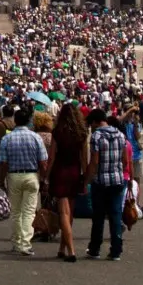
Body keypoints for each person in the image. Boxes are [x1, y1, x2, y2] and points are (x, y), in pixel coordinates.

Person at [0, 105, 49, 256]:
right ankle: (25, 244)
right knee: (28, 212)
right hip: (32, 175)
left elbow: (3, 163)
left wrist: (1, 181)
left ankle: (16, 242)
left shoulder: (7, 138)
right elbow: (43, 161)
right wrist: (44, 178)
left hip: (13, 175)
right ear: (29, 121)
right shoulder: (35, 137)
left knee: (15, 212)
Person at [86, 108, 130, 262]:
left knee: (98, 216)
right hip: (117, 180)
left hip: (101, 180)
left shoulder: (96, 136)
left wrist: (88, 179)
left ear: (96, 122)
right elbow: (125, 160)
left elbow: (94, 161)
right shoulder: (120, 134)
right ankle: (116, 250)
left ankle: (95, 248)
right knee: (115, 215)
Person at [49, 103, 88, 262]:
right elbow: (84, 159)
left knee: (63, 212)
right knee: (70, 212)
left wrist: (46, 175)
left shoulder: (58, 132)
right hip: (74, 172)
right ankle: (62, 247)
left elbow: (51, 157)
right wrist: (85, 179)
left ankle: (71, 250)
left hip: (60, 171)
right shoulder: (82, 133)